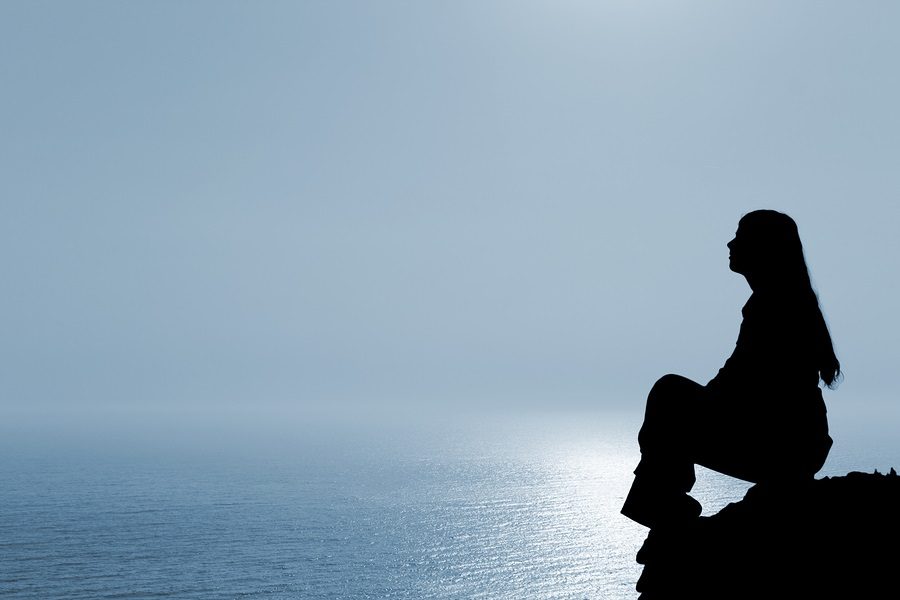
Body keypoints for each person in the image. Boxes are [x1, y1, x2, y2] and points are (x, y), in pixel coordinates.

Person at [621, 210, 840, 529]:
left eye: (740, 236)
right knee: (671, 396)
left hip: (785, 447)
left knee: (669, 393)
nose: (730, 243)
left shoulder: (776, 307)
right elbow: (734, 383)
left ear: (763, 247)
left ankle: (656, 499)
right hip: (794, 445)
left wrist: (680, 421)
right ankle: (657, 497)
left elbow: (739, 386)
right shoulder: (778, 302)